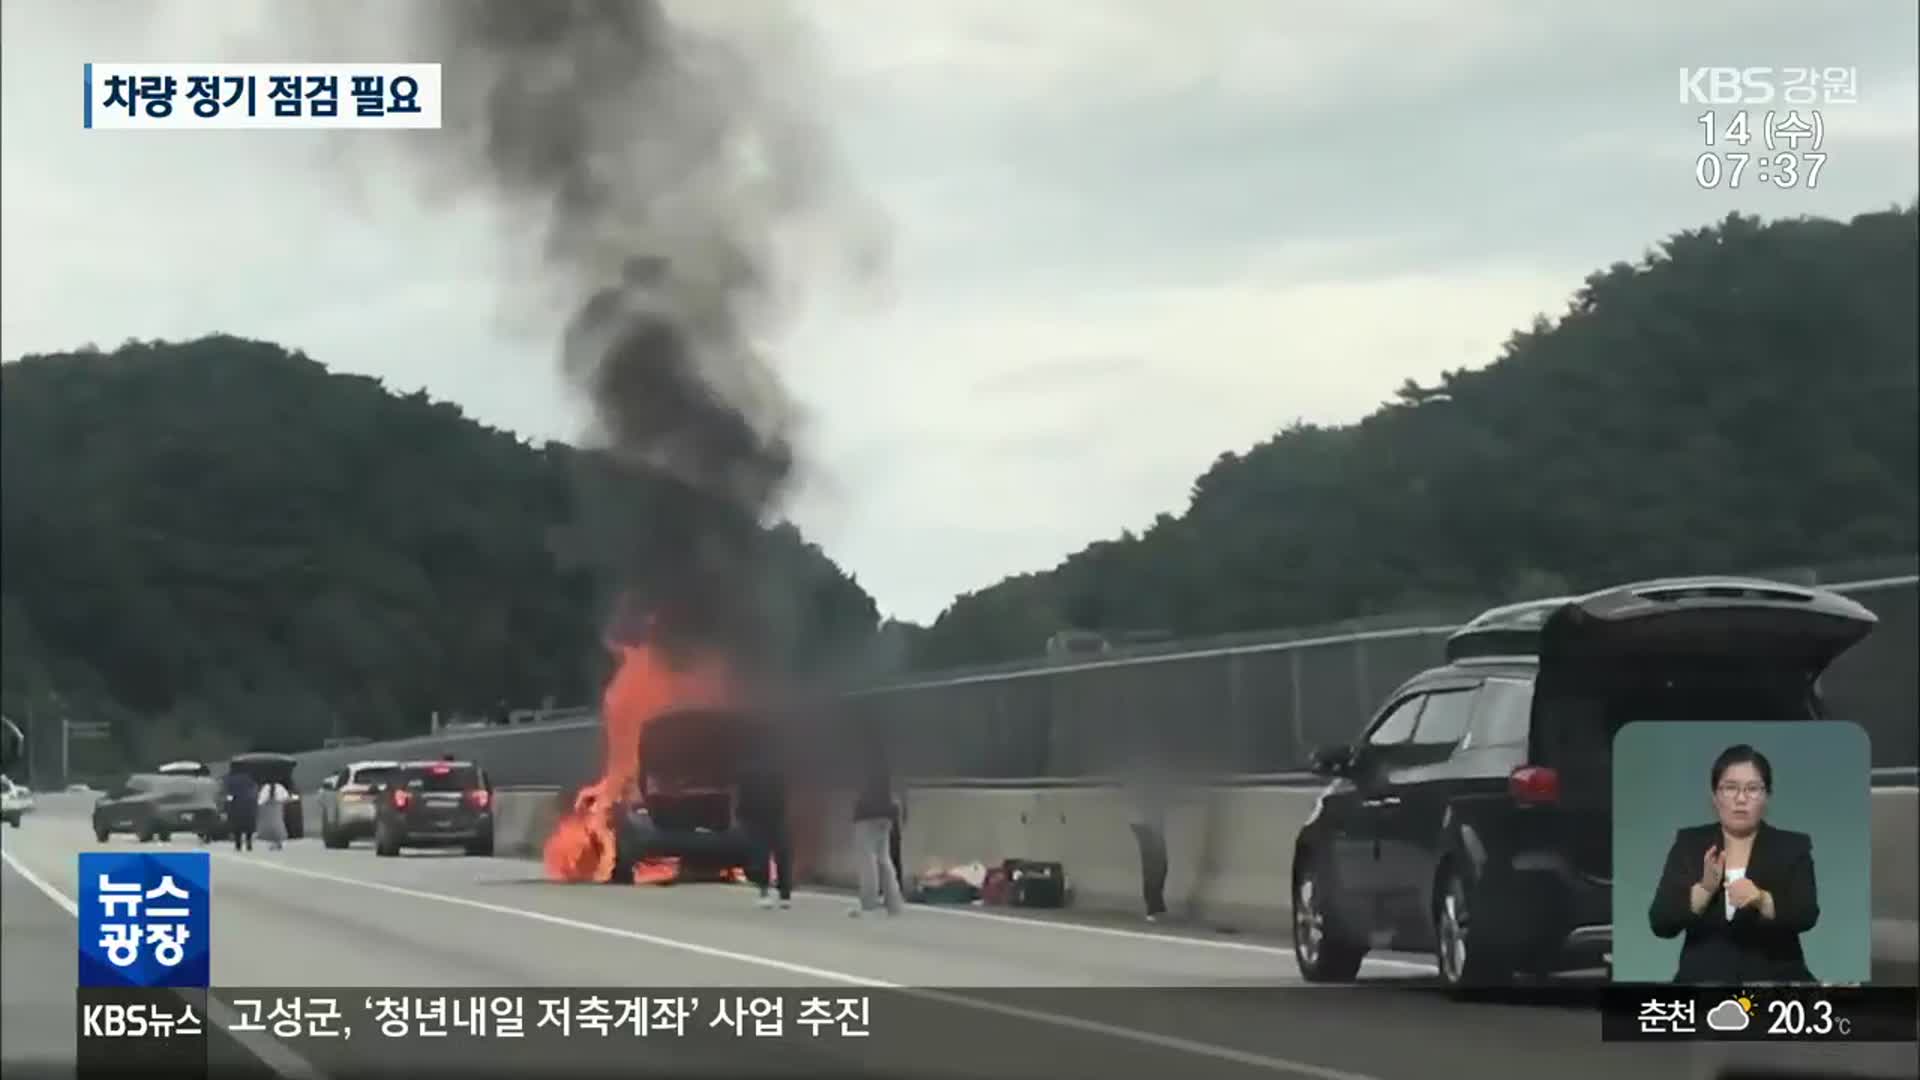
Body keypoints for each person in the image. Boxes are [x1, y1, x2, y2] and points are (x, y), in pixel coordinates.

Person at [1648, 744, 1819, 984]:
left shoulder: (1792, 847)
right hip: (1702, 983)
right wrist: (1705, 888)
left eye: (1752, 789)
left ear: (1767, 796)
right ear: (1715, 797)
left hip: (1775, 983)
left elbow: (1806, 914)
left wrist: (1761, 899)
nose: (1741, 799)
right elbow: (1660, 922)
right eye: (1730, 788)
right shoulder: (1690, 844)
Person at [737, 731, 793, 910]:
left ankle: (764, 893)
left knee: (760, 854)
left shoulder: (747, 769)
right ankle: (785, 896)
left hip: (756, 817)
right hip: (776, 815)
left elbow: (743, 795)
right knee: (782, 854)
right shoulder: (779, 767)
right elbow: (784, 793)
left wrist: (742, 815)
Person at [849, 748, 905, 917]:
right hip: (886, 812)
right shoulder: (888, 760)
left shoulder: (864, 762)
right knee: (884, 859)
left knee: (867, 858)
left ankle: (869, 903)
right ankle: (894, 902)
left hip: (867, 813)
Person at [1128, 769, 1170, 922]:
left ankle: (1156, 904)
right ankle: (1152, 907)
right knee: (1154, 865)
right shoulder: (1146, 782)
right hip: (1145, 825)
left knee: (1159, 865)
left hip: (1149, 824)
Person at [223, 767, 259, 852]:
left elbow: (229, 794)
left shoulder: (231, 779)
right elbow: (254, 790)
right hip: (249, 803)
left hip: (237, 803)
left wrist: (227, 804)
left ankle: (238, 844)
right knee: (249, 824)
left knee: (237, 824)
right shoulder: (250, 779)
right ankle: (249, 842)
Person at [256, 776, 291, 851]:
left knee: (268, 825)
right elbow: (286, 797)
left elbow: (260, 801)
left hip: (268, 808)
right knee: (278, 823)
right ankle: (279, 842)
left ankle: (272, 843)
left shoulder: (265, 787)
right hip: (277, 807)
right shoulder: (280, 787)